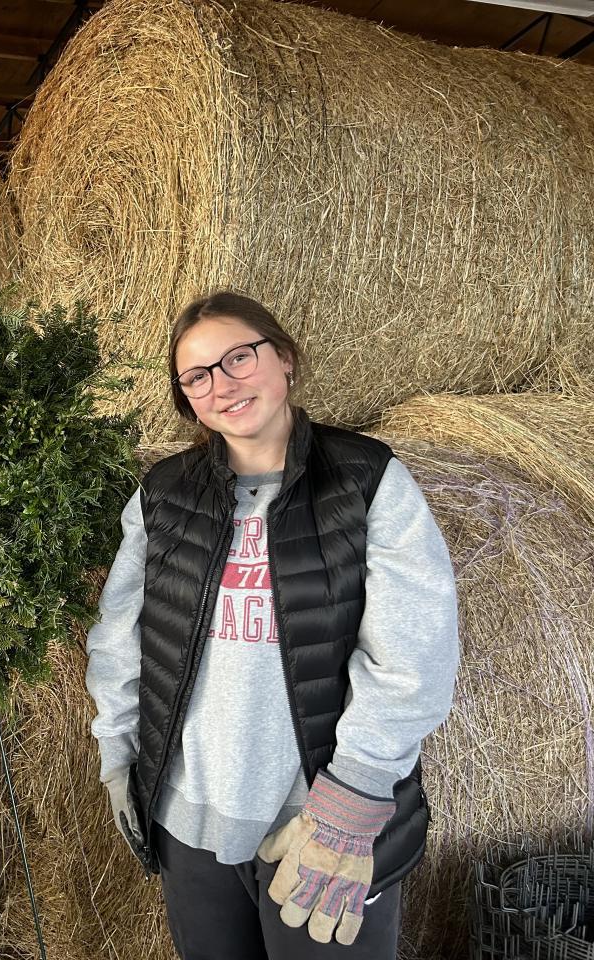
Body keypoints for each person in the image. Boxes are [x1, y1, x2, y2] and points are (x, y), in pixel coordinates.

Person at [85, 292, 459, 959]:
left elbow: (413, 656)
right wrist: (118, 752)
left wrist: (350, 805)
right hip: (188, 821)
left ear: (283, 358)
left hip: (322, 828)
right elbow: (120, 638)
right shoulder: (163, 495)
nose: (222, 385)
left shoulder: (366, 480)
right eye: (197, 376)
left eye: (238, 358)